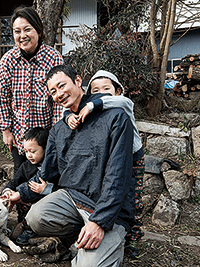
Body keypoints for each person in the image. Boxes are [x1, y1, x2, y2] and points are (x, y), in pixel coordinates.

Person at [21, 65, 135, 266]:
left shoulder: (116, 116)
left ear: (78, 81)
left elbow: (118, 175)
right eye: (53, 91)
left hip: (108, 210)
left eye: (62, 85)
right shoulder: (59, 128)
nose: (59, 94)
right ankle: (76, 239)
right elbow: (47, 173)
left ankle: (108, 241)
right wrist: (18, 193)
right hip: (73, 199)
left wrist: (99, 222)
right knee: (36, 216)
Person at [67, 70, 145, 258]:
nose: (101, 93)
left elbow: (120, 102)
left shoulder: (122, 103)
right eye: (96, 89)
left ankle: (133, 238)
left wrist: (93, 104)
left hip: (134, 158)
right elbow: (70, 108)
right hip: (112, 157)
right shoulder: (96, 107)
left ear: (118, 91)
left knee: (133, 196)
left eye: (106, 89)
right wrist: (67, 117)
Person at [0, 6, 64, 175]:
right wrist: (6, 130)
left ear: (38, 31)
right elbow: (1, 96)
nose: (22, 35)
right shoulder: (8, 61)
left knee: (47, 175)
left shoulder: (53, 58)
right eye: (17, 31)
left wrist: (54, 135)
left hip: (45, 135)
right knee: (21, 175)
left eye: (27, 29)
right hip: (19, 136)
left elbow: (59, 100)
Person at [0, 127, 55, 244]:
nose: (29, 155)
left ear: (45, 148)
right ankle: (23, 223)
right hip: (27, 204)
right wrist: (8, 191)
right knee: (21, 200)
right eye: (26, 151)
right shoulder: (26, 166)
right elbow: (15, 181)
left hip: (45, 206)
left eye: (33, 152)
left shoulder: (53, 166)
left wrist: (46, 190)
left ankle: (32, 229)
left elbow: (62, 188)